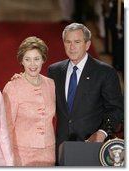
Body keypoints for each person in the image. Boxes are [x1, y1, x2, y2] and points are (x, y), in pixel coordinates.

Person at [47, 23, 124, 164]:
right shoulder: (54, 71)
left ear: (87, 44)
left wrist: (102, 133)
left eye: (77, 42)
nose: (72, 47)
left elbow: (116, 109)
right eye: (68, 42)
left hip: (92, 148)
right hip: (61, 148)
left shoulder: (105, 73)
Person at [3, 36, 56, 166]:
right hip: (22, 155)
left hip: (48, 153)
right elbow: (6, 127)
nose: (33, 64)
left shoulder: (51, 84)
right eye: (28, 59)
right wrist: (8, 160)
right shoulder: (13, 87)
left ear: (43, 59)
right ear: (22, 61)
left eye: (37, 59)